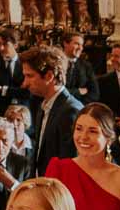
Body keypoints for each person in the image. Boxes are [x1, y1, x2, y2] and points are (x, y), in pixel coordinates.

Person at [21, 46, 82, 174]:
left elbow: (70, 165)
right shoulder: (43, 105)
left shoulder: (71, 111)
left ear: (49, 76)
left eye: (29, 76)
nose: (25, 83)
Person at [0, 28, 23, 107]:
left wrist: (4, 90)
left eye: (5, 44)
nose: (1, 48)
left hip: (21, 111)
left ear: (15, 45)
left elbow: (28, 92)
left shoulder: (25, 64)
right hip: (1, 111)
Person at [62, 31, 99, 103]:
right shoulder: (56, 63)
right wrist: (78, 91)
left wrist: (78, 104)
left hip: (81, 109)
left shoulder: (86, 66)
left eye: (81, 45)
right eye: (76, 44)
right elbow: (55, 91)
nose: (80, 48)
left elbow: (95, 94)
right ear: (65, 43)